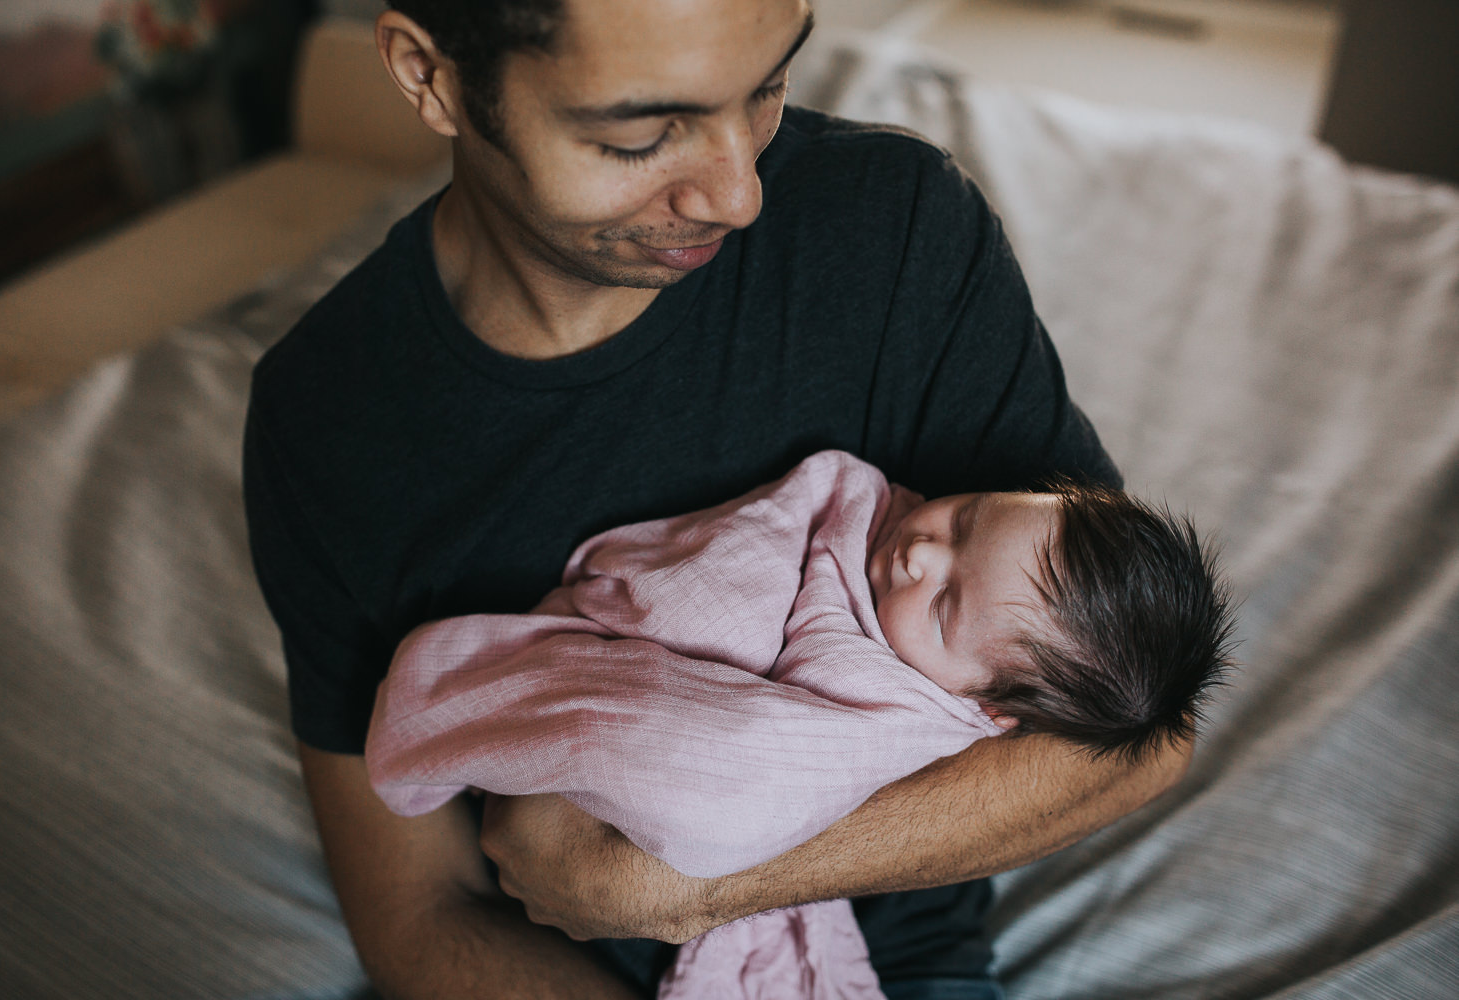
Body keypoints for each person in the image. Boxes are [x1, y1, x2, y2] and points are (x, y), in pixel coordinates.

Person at [241, 1, 1196, 997]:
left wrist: (691, 887)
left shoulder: (893, 230)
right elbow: (418, 915)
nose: (738, 195)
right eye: (640, 137)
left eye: (768, 89)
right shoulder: (324, 420)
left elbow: (1137, 739)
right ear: (428, 74)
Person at [362, 450, 1233, 999]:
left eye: (946, 603)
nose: (922, 550)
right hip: (586, 947)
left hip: (908, 946)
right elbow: (718, 571)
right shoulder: (851, 506)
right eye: (965, 519)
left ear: (990, 709)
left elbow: (1154, 744)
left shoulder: (924, 709)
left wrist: (703, 883)